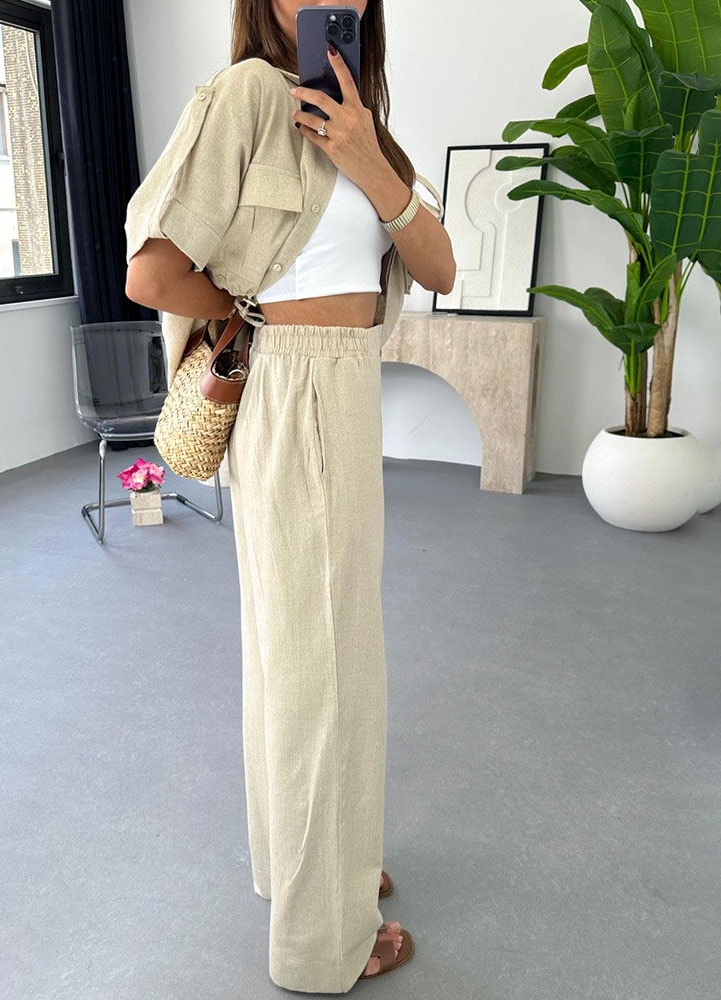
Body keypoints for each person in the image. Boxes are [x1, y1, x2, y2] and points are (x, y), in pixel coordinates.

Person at [126, 0, 456, 992]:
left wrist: (364, 155)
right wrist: (248, 317)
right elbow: (152, 272)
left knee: (299, 651)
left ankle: (312, 868)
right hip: (297, 384)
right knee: (328, 668)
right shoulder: (246, 95)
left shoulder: (360, 120)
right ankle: (323, 941)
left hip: (343, 386)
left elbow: (439, 265)